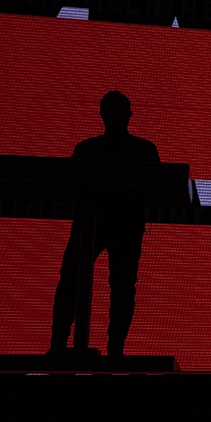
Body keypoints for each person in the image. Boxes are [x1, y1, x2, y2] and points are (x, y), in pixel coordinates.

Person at [49, 90, 161, 356]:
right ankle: (113, 349)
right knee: (114, 284)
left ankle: (61, 344)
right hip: (119, 224)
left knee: (83, 280)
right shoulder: (142, 150)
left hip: (102, 223)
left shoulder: (88, 149)